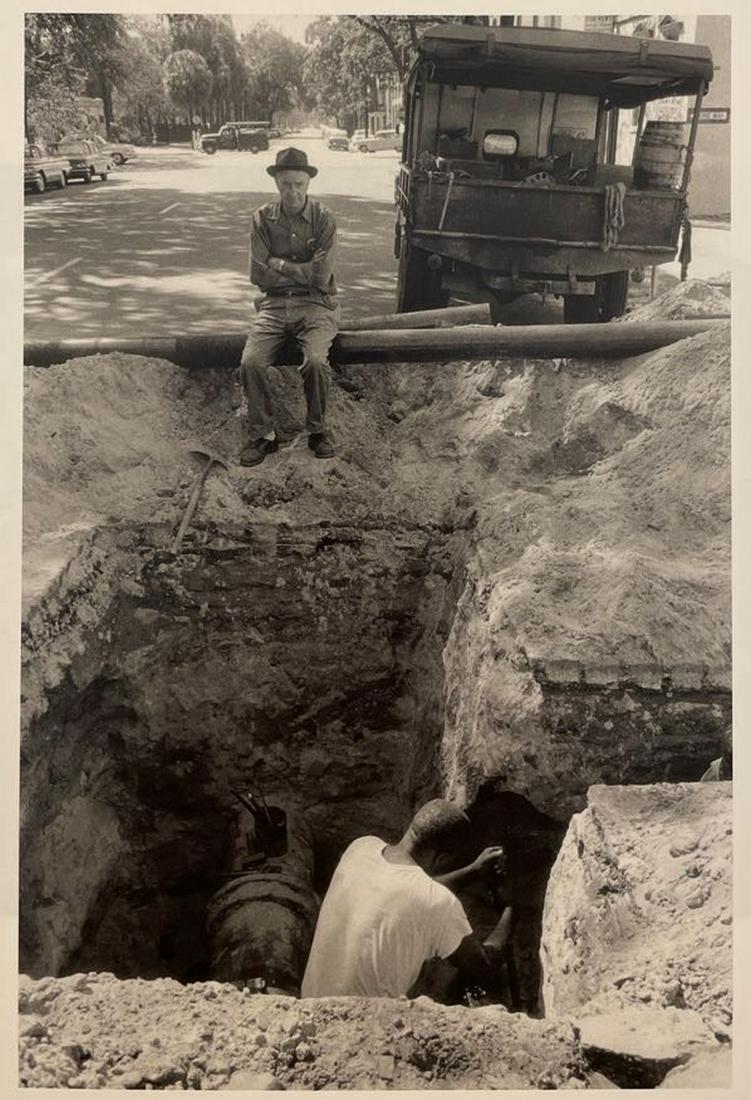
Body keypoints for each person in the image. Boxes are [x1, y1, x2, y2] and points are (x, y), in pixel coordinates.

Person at [301, 799, 512, 999]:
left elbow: (407, 889)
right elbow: (484, 967)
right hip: (360, 1026)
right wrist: (513, 904)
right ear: (442, 858)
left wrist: (472, 871)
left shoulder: (361, 847)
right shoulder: (438, 902)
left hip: (310, 1008)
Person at [239, 147, 339, 467]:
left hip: (315, 305)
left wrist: (277, 263)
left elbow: (321, 277)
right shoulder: (262, 219)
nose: (293, 192)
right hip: (273, 305)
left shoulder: (324, 219)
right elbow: (257, 274)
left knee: (315, 362)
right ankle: (263, 435)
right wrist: (302, 272)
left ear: (308, 183)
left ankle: (318, 432)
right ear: (277, 184)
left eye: (298, 184)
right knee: (251, 362)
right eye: (286, 185)